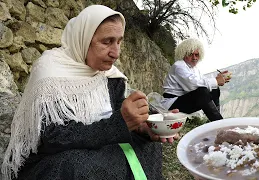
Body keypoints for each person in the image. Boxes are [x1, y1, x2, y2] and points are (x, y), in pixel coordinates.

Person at [1, 5, 177, 180]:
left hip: (100, 141)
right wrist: (119, 124)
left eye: (119, 41)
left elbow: (118, 116)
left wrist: (142, 126)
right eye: (107, 42)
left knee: (148, 145)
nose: (115, 53)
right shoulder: (50, 73)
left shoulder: (110, 76)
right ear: (83, 39)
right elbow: (51, 138)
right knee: (82, 167)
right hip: (54, 157)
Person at [161, 38, 231, 122]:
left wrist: (218, 78)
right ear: (184, 54)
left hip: (183, 102)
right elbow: (192, 85)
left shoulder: (195, 69)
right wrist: (216, 81)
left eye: (197, 55)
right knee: (202, 92)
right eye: (191, 54)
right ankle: (220, 123)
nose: (194, 57)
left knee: (214, 89)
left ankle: (214, 121)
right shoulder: (179, 66)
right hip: (171, 104)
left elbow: (203, 81)